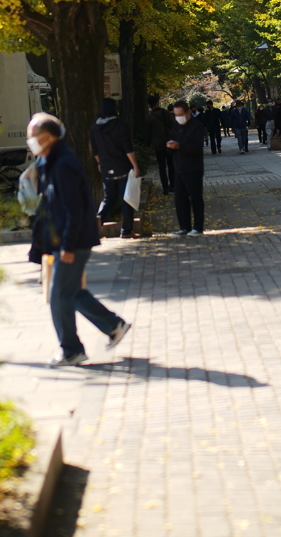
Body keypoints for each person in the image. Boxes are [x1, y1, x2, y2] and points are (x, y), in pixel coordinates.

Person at [26, 113, 132, 366]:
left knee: (59, 294)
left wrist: (68, 245)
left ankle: (72, 349)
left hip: (73, 241)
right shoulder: (50, 160)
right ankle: (113, 325)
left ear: (48, 137)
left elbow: (73, 208)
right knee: (71, 292)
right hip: (67, 239)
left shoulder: (63, 163)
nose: (30, 140)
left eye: (33, 136)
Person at [89, 97, 140, 240]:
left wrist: (100, 163)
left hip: (106, 167)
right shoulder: (120, 125)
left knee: (108, 197)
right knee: (127, 199)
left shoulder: (94, 127)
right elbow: (127, 148)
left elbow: (94, 150)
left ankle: (99, 216)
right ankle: (126, 230)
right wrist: (135, 165)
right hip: (122, 166)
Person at [166, 98, 206, 235]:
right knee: (180, 199)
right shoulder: (176, 126)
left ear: (188, 112)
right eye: (176, 115)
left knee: (195, 198)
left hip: (193, 167)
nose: (178, 118)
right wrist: (170, 147)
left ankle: (198, 227)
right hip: (178, 167)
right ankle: (184, 226)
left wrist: (180, 146)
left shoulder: (197, 126)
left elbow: (196, 147)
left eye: (180, 114)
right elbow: (172, 140)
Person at [146, 93, 175, 195]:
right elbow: (173, 125)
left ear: (149, 105)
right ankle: (172, 186)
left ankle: (165, 188)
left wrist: (149, 144)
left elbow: (148, 133)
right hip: (169, 142)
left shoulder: (149, 117)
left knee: (162, 166)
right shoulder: (166, 113)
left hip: (158, 145)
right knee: (171, 164)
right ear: (158, 103)